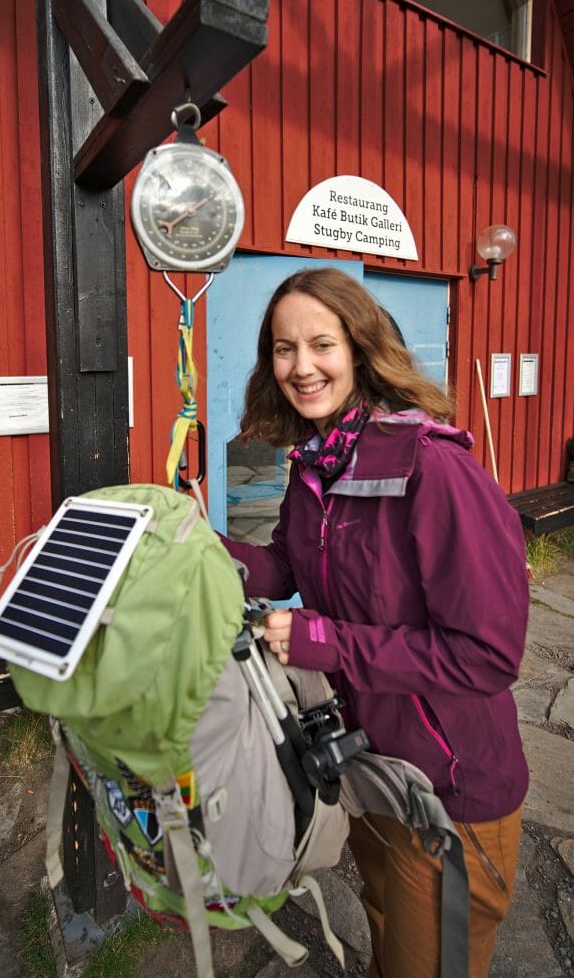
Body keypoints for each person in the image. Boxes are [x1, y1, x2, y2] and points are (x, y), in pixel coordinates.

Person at [219, 267, 529, 978]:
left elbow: (486, 654)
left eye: (320, 344)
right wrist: (195, 545)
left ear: (360, 349)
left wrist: (321, 642)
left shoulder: (431, 469)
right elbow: (285, 568)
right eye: (282, 348)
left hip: (448, 791)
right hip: (368, 769)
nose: (300, 367)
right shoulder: (317, 466)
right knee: (389, 939)